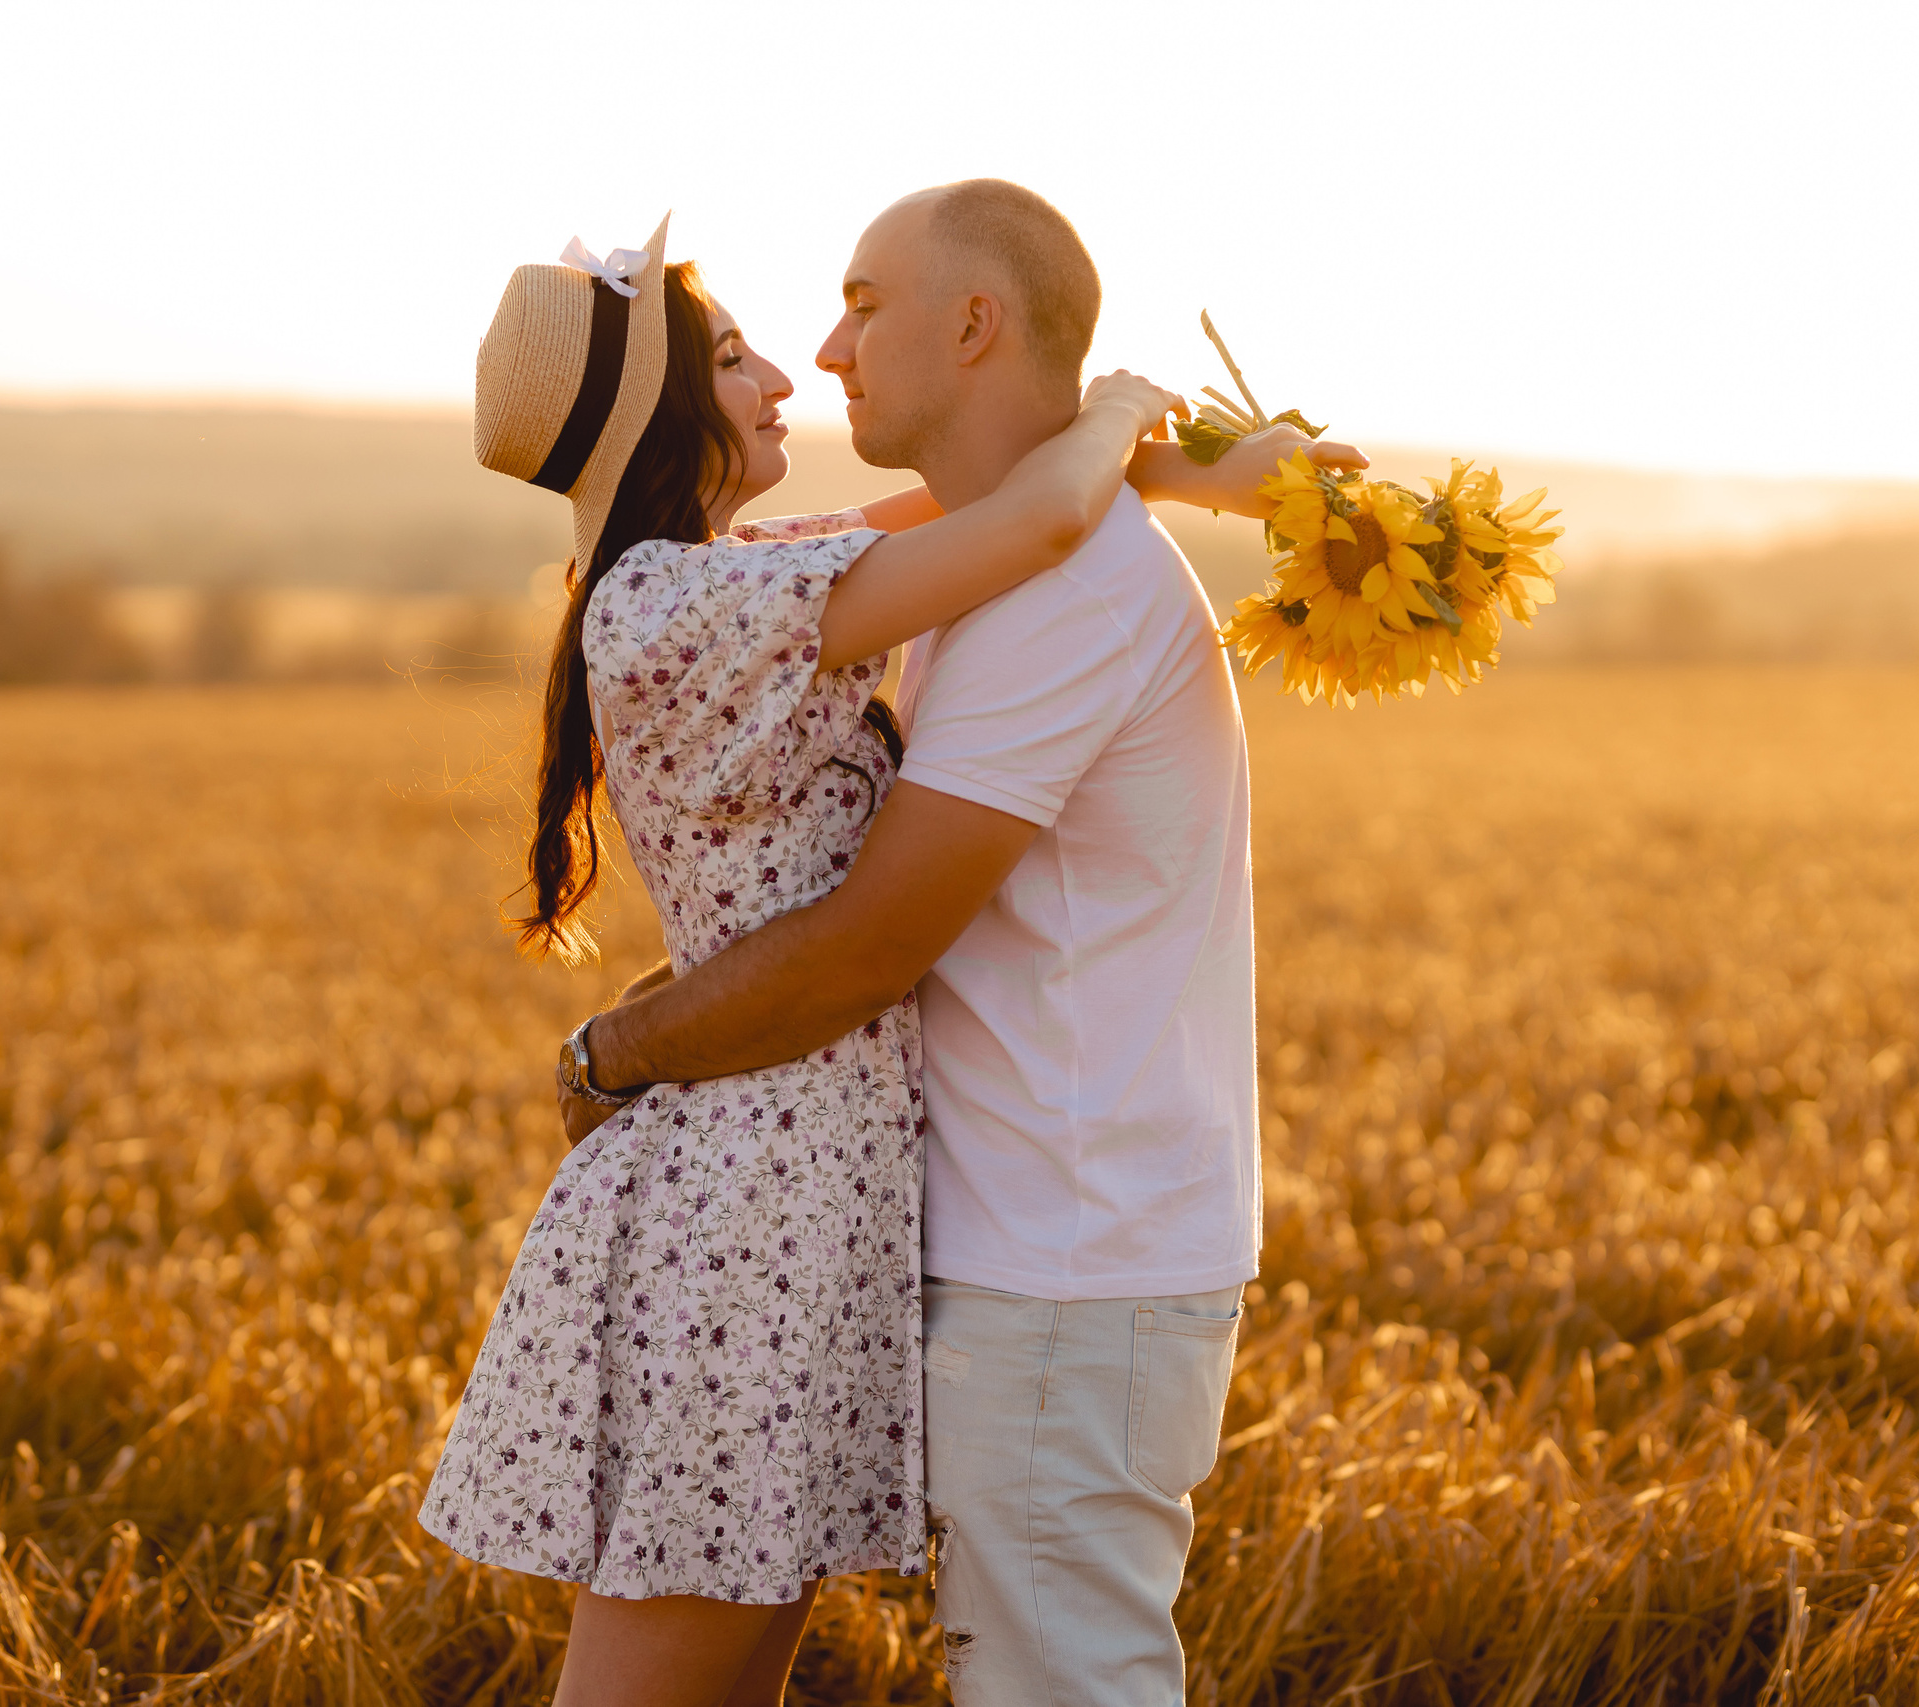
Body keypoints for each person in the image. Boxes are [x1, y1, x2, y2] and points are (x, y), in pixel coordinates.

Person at [557, 183, 1364, 1705]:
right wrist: (1168, 457)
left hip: (1054, 1258)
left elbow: (869, 945)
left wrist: (618, 1050)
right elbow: (1013, 512)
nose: (820, 352)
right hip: (961, 1235)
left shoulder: (1052, 591)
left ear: (976, 325)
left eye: (864, 305)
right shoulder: (920, 576)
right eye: (743, 350)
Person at [420, 211, 1215, 1707]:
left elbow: (971, 503)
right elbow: (1033, 525)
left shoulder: (727, 576)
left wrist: (1190, 469)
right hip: (751, 1202)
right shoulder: (696, 604)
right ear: (659, 417)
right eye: (732, 359)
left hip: (800, 1186)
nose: (786, 375)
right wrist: (1117, 406)